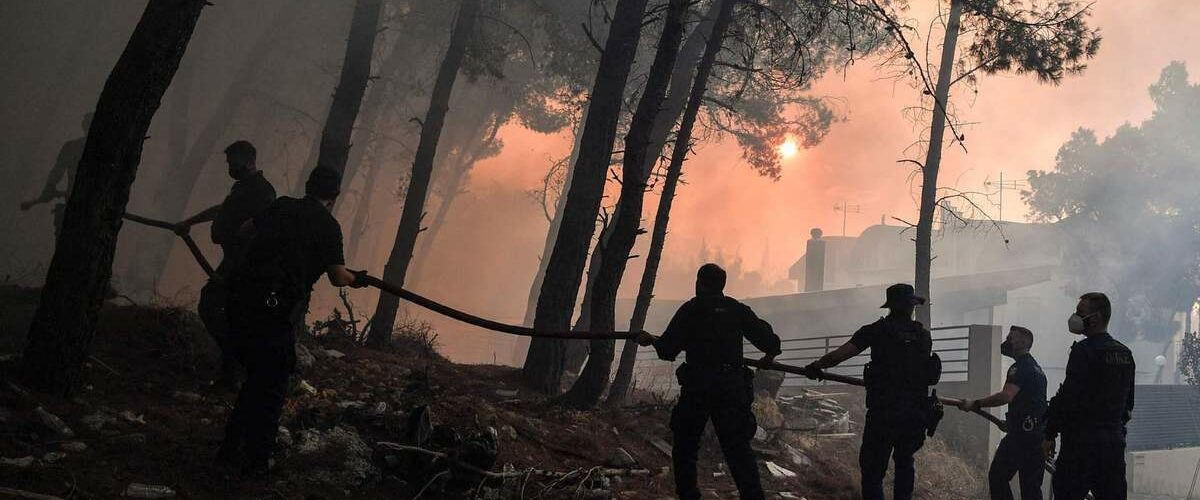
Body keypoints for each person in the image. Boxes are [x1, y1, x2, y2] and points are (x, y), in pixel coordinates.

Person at [217, 165, 365, 477]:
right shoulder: (328, 226)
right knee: (271, 388)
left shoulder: (281, 205)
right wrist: (356, 279)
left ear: (308, 185)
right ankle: (257, 461)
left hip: (241, 302)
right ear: (334, 196)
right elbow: (339, 277)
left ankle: (229, 450)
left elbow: (244, 230)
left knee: (256, 380)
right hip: (274, 314)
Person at [634, 263, 780, 500]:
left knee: (686, 445)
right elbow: (770, 342)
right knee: (738, 449)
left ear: (699, 283)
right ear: (722, 285)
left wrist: (650, 340)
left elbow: (668, 350)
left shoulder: (691, 310)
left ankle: (689, 495)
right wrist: (768, 358)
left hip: (698, 387)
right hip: (731, 388)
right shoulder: (736, 309)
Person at [801, 283, 941, 500]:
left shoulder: (875, 331)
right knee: (905, 464)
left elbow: (840, 355)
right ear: (910, 306)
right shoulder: (923, 336)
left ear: (890, 306)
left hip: (884, 412)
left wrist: (817, 366)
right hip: (914, 414)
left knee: (873, 471)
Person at [176, 141, 277, 388]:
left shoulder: (263, 191)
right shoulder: (241, 188)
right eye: (229, 164)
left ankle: (235, 367)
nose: (231, 168)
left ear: (251, 161)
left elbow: (259, 227)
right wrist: (191, 221)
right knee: (225, 313)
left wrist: (237, 251)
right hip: (233, 261)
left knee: (212, 306)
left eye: (234, 163)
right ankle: (232, 372)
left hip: (243, 265)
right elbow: (222, 210)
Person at [1043, 292, 1135, 500]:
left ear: (1096, 318)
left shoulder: (1083, 352)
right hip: (1112, 447)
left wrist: (1049, 432)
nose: (1075, 317)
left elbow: (1068, 397)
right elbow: (1128, 405)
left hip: (1080, 447)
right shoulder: (1125, 354)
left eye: (1080, 312)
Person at [957, 326, 1047, 500]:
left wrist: (975, 403)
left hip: (1019, 438)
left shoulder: (1019, 367)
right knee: (1031, 490)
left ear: (1023, 342)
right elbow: (1034, 405)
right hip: (1036, 438)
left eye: (1010, 338)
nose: (1006, 342)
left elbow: (1007, 395)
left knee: (998, 477)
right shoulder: (1038, 370)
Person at [21, 112, 91, 235]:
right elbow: (56, 173)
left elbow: (56, 174)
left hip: (74, 208)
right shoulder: (75, 147)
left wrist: (48, 191)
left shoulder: (72, 146)